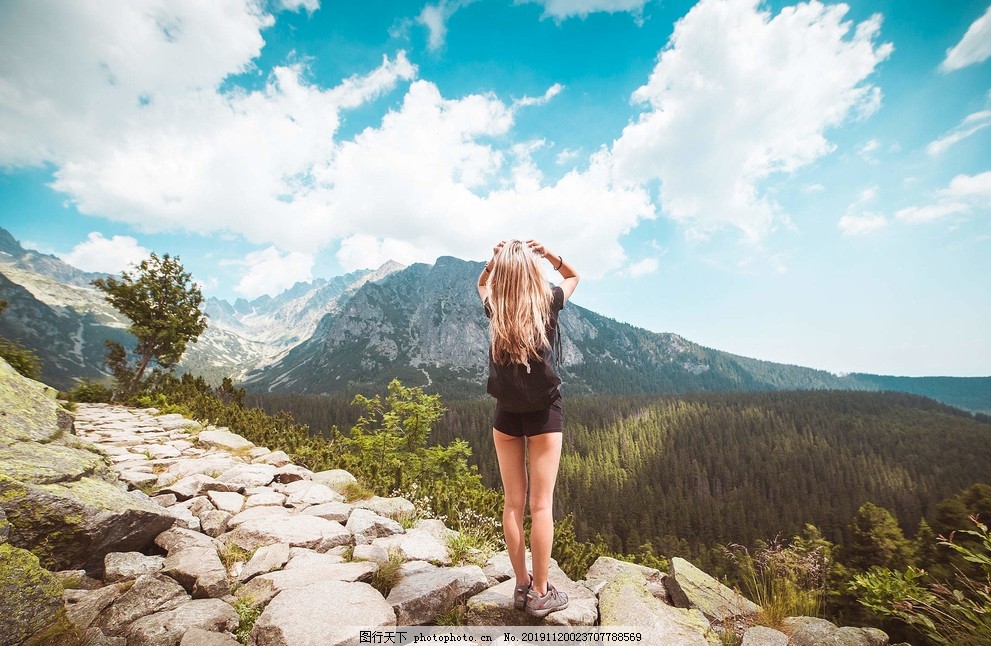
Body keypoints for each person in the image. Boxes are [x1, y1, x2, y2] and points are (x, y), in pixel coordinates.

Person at [477, 238, 580, 617]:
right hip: (544, 415)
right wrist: (551, 255)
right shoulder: (549, 301)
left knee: (512, 504)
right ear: (532, 271)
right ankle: (540, 592)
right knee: (541, 506)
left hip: (506, 415)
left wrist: (493, 262)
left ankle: (520, 586)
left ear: (504, 272)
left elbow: (482, 286)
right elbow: (574, 276)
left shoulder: (496, 308)